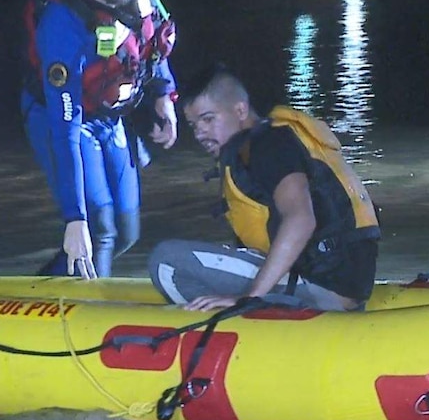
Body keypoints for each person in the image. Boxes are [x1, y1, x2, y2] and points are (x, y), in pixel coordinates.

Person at [148, 66, 380, 312]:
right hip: (344, 284)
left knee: (167, 261)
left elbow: (301, 219)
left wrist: (250, 296)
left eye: (208, 119)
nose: (200, 133)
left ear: (240, 110)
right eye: (194, 125)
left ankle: (236, 331)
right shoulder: (273, 139)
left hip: (321, 288)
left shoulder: (268, 146)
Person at [21, 0, 178, 279]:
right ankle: (93, 314)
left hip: (109, 118)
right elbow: (65, 130)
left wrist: (166, 95)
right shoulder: (62, 22)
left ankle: (46, 284)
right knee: (97, 228)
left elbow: (154, 42)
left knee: (126, 231)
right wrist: (73, 218)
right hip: (60, 119)